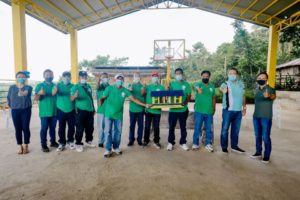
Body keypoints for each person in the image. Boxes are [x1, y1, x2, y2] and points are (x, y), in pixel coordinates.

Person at [99, 73, 151, 158]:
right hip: (108, 114)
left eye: (121, 79)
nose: (120, 80)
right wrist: (101, 100)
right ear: (115, 80)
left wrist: (145, 105)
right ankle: (108, 149)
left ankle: (116, 147)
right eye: (118, 79)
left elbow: (133, 99)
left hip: (118, 115)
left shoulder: (125, 90)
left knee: (118, 132)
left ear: (123, 81)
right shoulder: (109, 88)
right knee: (108, 132)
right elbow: (103, 97)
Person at [220, 68, 246, 154]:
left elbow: (243, 96)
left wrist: (244, 107)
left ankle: (234, 146)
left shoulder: (241, 84)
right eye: (230, 73)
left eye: (234, 73)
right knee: (225, 129)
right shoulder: (225, 84)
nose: (232, 75)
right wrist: (223, 91)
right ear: (228, 75)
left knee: (236, 130)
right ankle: (224, 147)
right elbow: (221, 89)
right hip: (228, 111)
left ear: (237, 75)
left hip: (238, 111)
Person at [251, 72, 276, 164]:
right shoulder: (256, 89)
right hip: (256, 116)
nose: (261, 79)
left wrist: (269, 96)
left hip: (266, 117)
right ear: (257, 79)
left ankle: (266, 156)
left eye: (263, 78)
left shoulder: (270, 89)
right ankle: (258, 152)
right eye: (259, 77)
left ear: (266, 79)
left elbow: (274, 97)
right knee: (257, 135)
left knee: (266, 137)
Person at [7, 71, 32, 154]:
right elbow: (9, 98)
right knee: (18, 129)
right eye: (19, 76)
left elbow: (26, 93)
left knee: (25, 127)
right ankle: (20, 146)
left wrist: (23, 92)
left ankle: (26, 145)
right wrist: (11, 106)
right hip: (15, 110)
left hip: (26, 110)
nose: (21, 78)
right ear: (16, 78)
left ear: (25, 78)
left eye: (23, 76)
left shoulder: (28, 87)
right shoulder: (12, 87)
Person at [166, 68, 191, 151]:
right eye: (176, 73)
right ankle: (170, 143)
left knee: (183, 127)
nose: (178, 75)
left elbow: (188, 96)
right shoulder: (172, 84)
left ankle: (183, 142)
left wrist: (185, 102)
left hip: (183, 110)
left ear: (182, 74)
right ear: (175, 75)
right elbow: (168, 95)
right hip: (173, 110)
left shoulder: (186, 84)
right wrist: (168, 88)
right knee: (171, 127)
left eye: (180, 73)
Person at [70, 71, 95, 152]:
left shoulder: (88, 86)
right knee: (80, 128)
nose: (83, 78)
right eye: (82, 76)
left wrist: (93, 108)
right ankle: (78, 143)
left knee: (90, 127)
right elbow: (71, 99)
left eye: (85, 76)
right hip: (80, 110)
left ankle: (88, 141)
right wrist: (74, 96)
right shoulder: (75, 87)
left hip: (90, 110)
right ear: (79, 77)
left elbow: (90, 98)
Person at [34, 69, 59, 152]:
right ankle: (43, 145)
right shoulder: (40, 86)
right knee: (44, 128)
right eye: (47, 75)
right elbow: (36, 99)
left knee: (53, 128)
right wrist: (39, 93)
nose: (49, 76)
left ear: (53, 76)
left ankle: (53, 142)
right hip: (44, 112)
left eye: (51, 75)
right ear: (44, 76)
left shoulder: (55, 86)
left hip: (54, 111)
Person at [192, 70, 216, 152]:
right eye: (204, 76)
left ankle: (208, 144)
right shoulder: (198, 84)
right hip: (199, 111)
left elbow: (213, 98)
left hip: (209, 111)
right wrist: (198, 89)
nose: (205, 77)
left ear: (209, 77)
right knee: (197, 128)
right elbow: (195, 86)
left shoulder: (212, 86)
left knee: (209, 129)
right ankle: (195, 143)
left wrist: (214, 108)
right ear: (201, 77)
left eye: (207, 76)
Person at [142, 71, 165, 149]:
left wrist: (156, 104)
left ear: (158, 78)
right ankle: (146, 140)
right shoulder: (148, 86)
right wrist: (144, 87)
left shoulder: (161, 87)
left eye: (156, 76)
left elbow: (163, 100)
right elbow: (142, 94)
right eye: (153, 76)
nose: (155, 78)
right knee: (147, 126)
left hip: (157, 111)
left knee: (156, 127)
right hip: (148, 110)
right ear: (151, 78)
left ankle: (156, 141)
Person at [55, 71, 75, 151]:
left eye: (68, 76)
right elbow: (53, 93)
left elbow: (74, 97)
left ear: (70, 78)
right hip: (61, 109)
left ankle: (70, 141)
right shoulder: (58, 85)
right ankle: (62, 143)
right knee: (61, 127)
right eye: (65, 76)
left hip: (71, 109)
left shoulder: (73, 86)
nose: (66, 78)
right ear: (62, 77)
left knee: (71, 126)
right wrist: (56, 89)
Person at [127, 72, 145, 146]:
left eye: (138, 76)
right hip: (132, 109)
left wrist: (143, 87)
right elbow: (129, 93)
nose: (137, 77)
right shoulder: (130, 85)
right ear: (133, 77)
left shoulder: (142, 86)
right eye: (135, 76)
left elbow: (143, 94)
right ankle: (131, 140)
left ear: (140, 77)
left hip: (140, 109)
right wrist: (129, 89)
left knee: (140, 125)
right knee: (132, 125)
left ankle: (139, 140)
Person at [96, 72, 110, 148]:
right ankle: (100, 141)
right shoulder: (99, 87)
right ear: (101, 78)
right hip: (101, 111)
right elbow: (97, 87)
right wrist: (98, 82)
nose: (105, 78)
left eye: (106, 77)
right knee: (101, 127)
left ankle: (106, 141)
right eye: (103, 77)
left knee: (107, 128)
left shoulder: (110, 87)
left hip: (108, 111)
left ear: (108, 78)